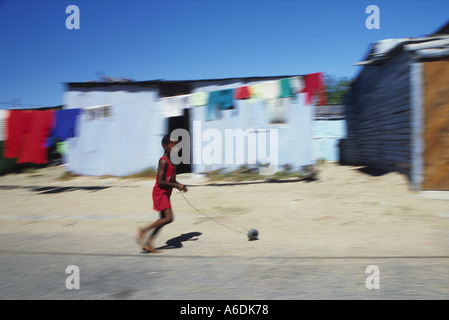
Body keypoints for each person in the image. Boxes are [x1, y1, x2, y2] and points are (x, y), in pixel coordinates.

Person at [136, 133, 187, 253]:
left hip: (166, 192)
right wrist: (176, 185)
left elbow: (171, 179)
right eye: (172, 145)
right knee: (169, 218)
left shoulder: (173, 162)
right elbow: (160, 181)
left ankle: (148, 244)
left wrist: (180, 186)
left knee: (162, 221)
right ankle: (143, 230)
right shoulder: (163, 161)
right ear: (165, 146)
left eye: (177, 146)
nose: (175, 148)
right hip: (160, 192)